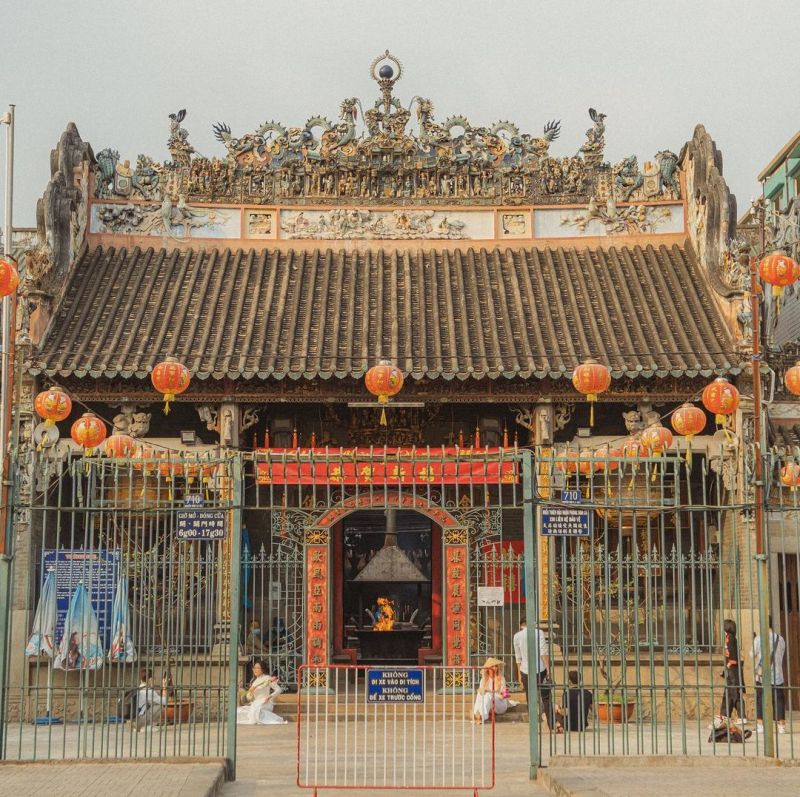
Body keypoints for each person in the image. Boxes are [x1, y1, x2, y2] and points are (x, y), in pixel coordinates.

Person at [751, 617, 787, 734]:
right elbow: (781, 655)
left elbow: (752, 655)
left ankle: (760, 725)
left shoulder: (758, 639)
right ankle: (781, 726)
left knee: (760, 698)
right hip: (777, 674)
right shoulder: (780, 639)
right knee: (779, 699)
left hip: (763, 675)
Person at [717, 618, 747, 726]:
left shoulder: (731, 639)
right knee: (730, 693)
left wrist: (727, 668)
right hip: (731, 670)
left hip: (732, 671)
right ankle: (725, 715)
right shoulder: (729, 638)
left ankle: (739, 716)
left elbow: (733, 657)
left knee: (733, 693)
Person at [237, 660, 286, 725]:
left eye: (257, 668)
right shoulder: (253, 682)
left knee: (256, 710)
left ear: (262, 669)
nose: (255, 670)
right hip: (256, 703)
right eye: (254, 668)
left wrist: (270, 696)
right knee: (238, 711)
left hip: (266, 703)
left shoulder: (267, 678)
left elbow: (279, 690)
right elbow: (249, 698)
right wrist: (250, 693)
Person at [472, 657, 509, 725]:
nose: (494, 668)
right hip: (488, 702)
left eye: (496, 666)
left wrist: (490, 691)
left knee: (488, 695)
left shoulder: (501, 679)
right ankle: (477, 715)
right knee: (480, 694)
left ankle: (480, 716)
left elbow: (505, 695)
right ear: (488, 669)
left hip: (500, 704)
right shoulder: (483, 680)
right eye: (492, 666)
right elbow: (481, 693)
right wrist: (482, 691)